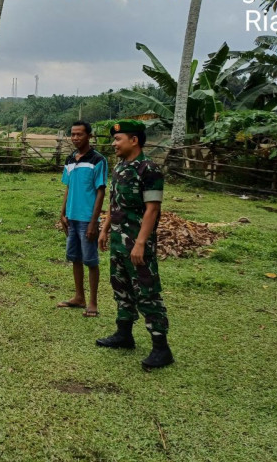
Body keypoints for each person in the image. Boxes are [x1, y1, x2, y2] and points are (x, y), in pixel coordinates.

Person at [96, 120, 174, 369]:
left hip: (137, 242)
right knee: (121, 287)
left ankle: (161, 348)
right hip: (118, 241)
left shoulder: (148, 170)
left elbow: (152, 210)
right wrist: (105, 228)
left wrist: (140, 243)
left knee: (147, 292)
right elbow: (114, 202)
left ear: (134, 140)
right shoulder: (120, 168)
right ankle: (124, 333)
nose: (114, 143)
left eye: (118, 139)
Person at [57, 120, 108, 318]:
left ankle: (93, 302)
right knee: (75, 258)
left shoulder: (98, 160)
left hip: (87, 219)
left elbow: (101, 191)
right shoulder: (70, 159)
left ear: (89, 136)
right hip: (72, 217)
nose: (75, 138)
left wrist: (94, 222)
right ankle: (79, 297)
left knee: (91, 260)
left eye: (79, 134)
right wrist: (62, 213)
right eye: (73, 134)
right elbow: (68, 187)